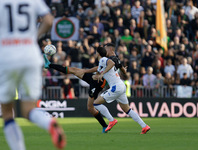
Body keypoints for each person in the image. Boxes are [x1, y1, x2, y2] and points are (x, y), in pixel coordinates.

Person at [0, 0, 66, 150]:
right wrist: (33, 36)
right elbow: (49, 20)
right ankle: (49, 122)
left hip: (7, 56)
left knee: (7, 112)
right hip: (30, 55)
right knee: (29, 109)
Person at [43, 54, 114, 133]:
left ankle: (105, 125)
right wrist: (86, 71)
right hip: (92, 77)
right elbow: (97, 68)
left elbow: (109, 73)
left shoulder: (110, 64)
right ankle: (49, 64)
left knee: (90, 108)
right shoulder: (104, 61)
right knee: (73, 70)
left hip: (97, 84)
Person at [92, 47, 150, 134]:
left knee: (96, 103)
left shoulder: (104, 59)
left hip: (115, 87)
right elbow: (97, 74)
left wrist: (102, 74)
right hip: (121, 86)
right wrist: (95, 76)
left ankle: (111, 120)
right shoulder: (102, 63)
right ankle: (144, 126)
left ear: (98, 53)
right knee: (127, 110)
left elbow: (111, 63)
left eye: (96, 52)